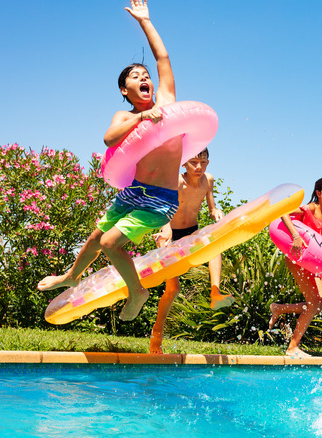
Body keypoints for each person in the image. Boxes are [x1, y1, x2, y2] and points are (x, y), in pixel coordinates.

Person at [38, 0, 181, 322]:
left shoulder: (169, 103)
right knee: (94, 237)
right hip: (133, 191)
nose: (144, 77)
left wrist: (145, 21)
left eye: (145, 75)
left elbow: (163, 57)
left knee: (110, 242)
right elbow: (109, 138)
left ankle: (138, 291)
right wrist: (143, 116)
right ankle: (70, 276)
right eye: (135, 76)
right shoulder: (126, 115)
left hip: (160, 199)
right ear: (124, 89)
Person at [149, 148, 234, 354]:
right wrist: (166, 228)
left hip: (191, 233)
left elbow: (211, 207)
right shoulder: (177, 181)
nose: (199, 167)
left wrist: (216, 213)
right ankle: (156, 338)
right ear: (183, 164)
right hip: (169, 232)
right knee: (173, 290)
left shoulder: (208, 180)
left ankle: (215, 292)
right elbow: (163, 208)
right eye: (194, 162)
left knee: (214, 246)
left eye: (203, 162)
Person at [268, 177, 322, 358]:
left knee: (321, 305)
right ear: (318, 193)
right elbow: (282, 211)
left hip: (315, 262)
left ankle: (280, 308)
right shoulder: (310, 209)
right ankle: (292, 348)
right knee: (313, 303)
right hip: (300, 258)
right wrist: (295, 236)